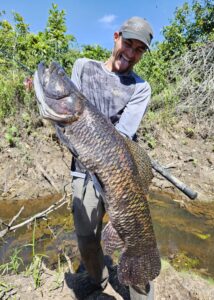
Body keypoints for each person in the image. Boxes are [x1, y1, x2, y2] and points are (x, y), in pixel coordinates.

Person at [70, 16, 155, 299]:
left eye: (138, 50)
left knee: (137, 237)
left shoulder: (140, 88)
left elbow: (123, 134)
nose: (130, 54)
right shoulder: (83, 67)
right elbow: (66, 115)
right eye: (127, 44)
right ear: (115, 36)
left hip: (121, 174)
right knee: (86, 235)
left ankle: (141, 292)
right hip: (84, 171)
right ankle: (98, 278)